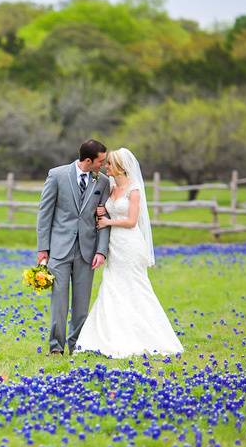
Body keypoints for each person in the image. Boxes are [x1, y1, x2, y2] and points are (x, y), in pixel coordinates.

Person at [74, 148, 183, 358]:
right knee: (112, 285)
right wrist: (102, 212)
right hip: (114, 245)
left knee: (135, 287)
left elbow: (132, 221)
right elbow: (106, 208)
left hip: (129, 245)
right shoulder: (111, 186)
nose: (106, 167)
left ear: (120, 167)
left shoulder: (134, 190)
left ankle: (149, 336)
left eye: (110, 164)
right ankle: (108, 336)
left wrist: (107, 221)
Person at [35, 139, 111, 356]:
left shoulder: (102, 182)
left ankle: (77, 345)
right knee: (58, 300)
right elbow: (45, 214)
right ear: (88, 160)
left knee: (81, 305)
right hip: (59, 250)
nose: (103, 165)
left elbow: (104, 218)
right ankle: (55, 347)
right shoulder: (57, 176)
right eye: (100, 161)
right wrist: (43, 248)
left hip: (87, 251)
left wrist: (101, 250)